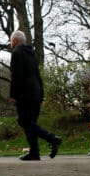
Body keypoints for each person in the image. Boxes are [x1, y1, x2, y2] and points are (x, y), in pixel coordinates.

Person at [9, 30, 62, 160]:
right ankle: (34, 152)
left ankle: (52, 138)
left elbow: (17, 76)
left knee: (24, 121)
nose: (10, 43)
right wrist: (41, 95)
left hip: (24, 93)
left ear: (15, 40)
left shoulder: (16, 53)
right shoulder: (31, 54)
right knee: (31, 123)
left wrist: (13, 94)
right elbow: (37, 75)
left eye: (11, 41)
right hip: (36, 92)